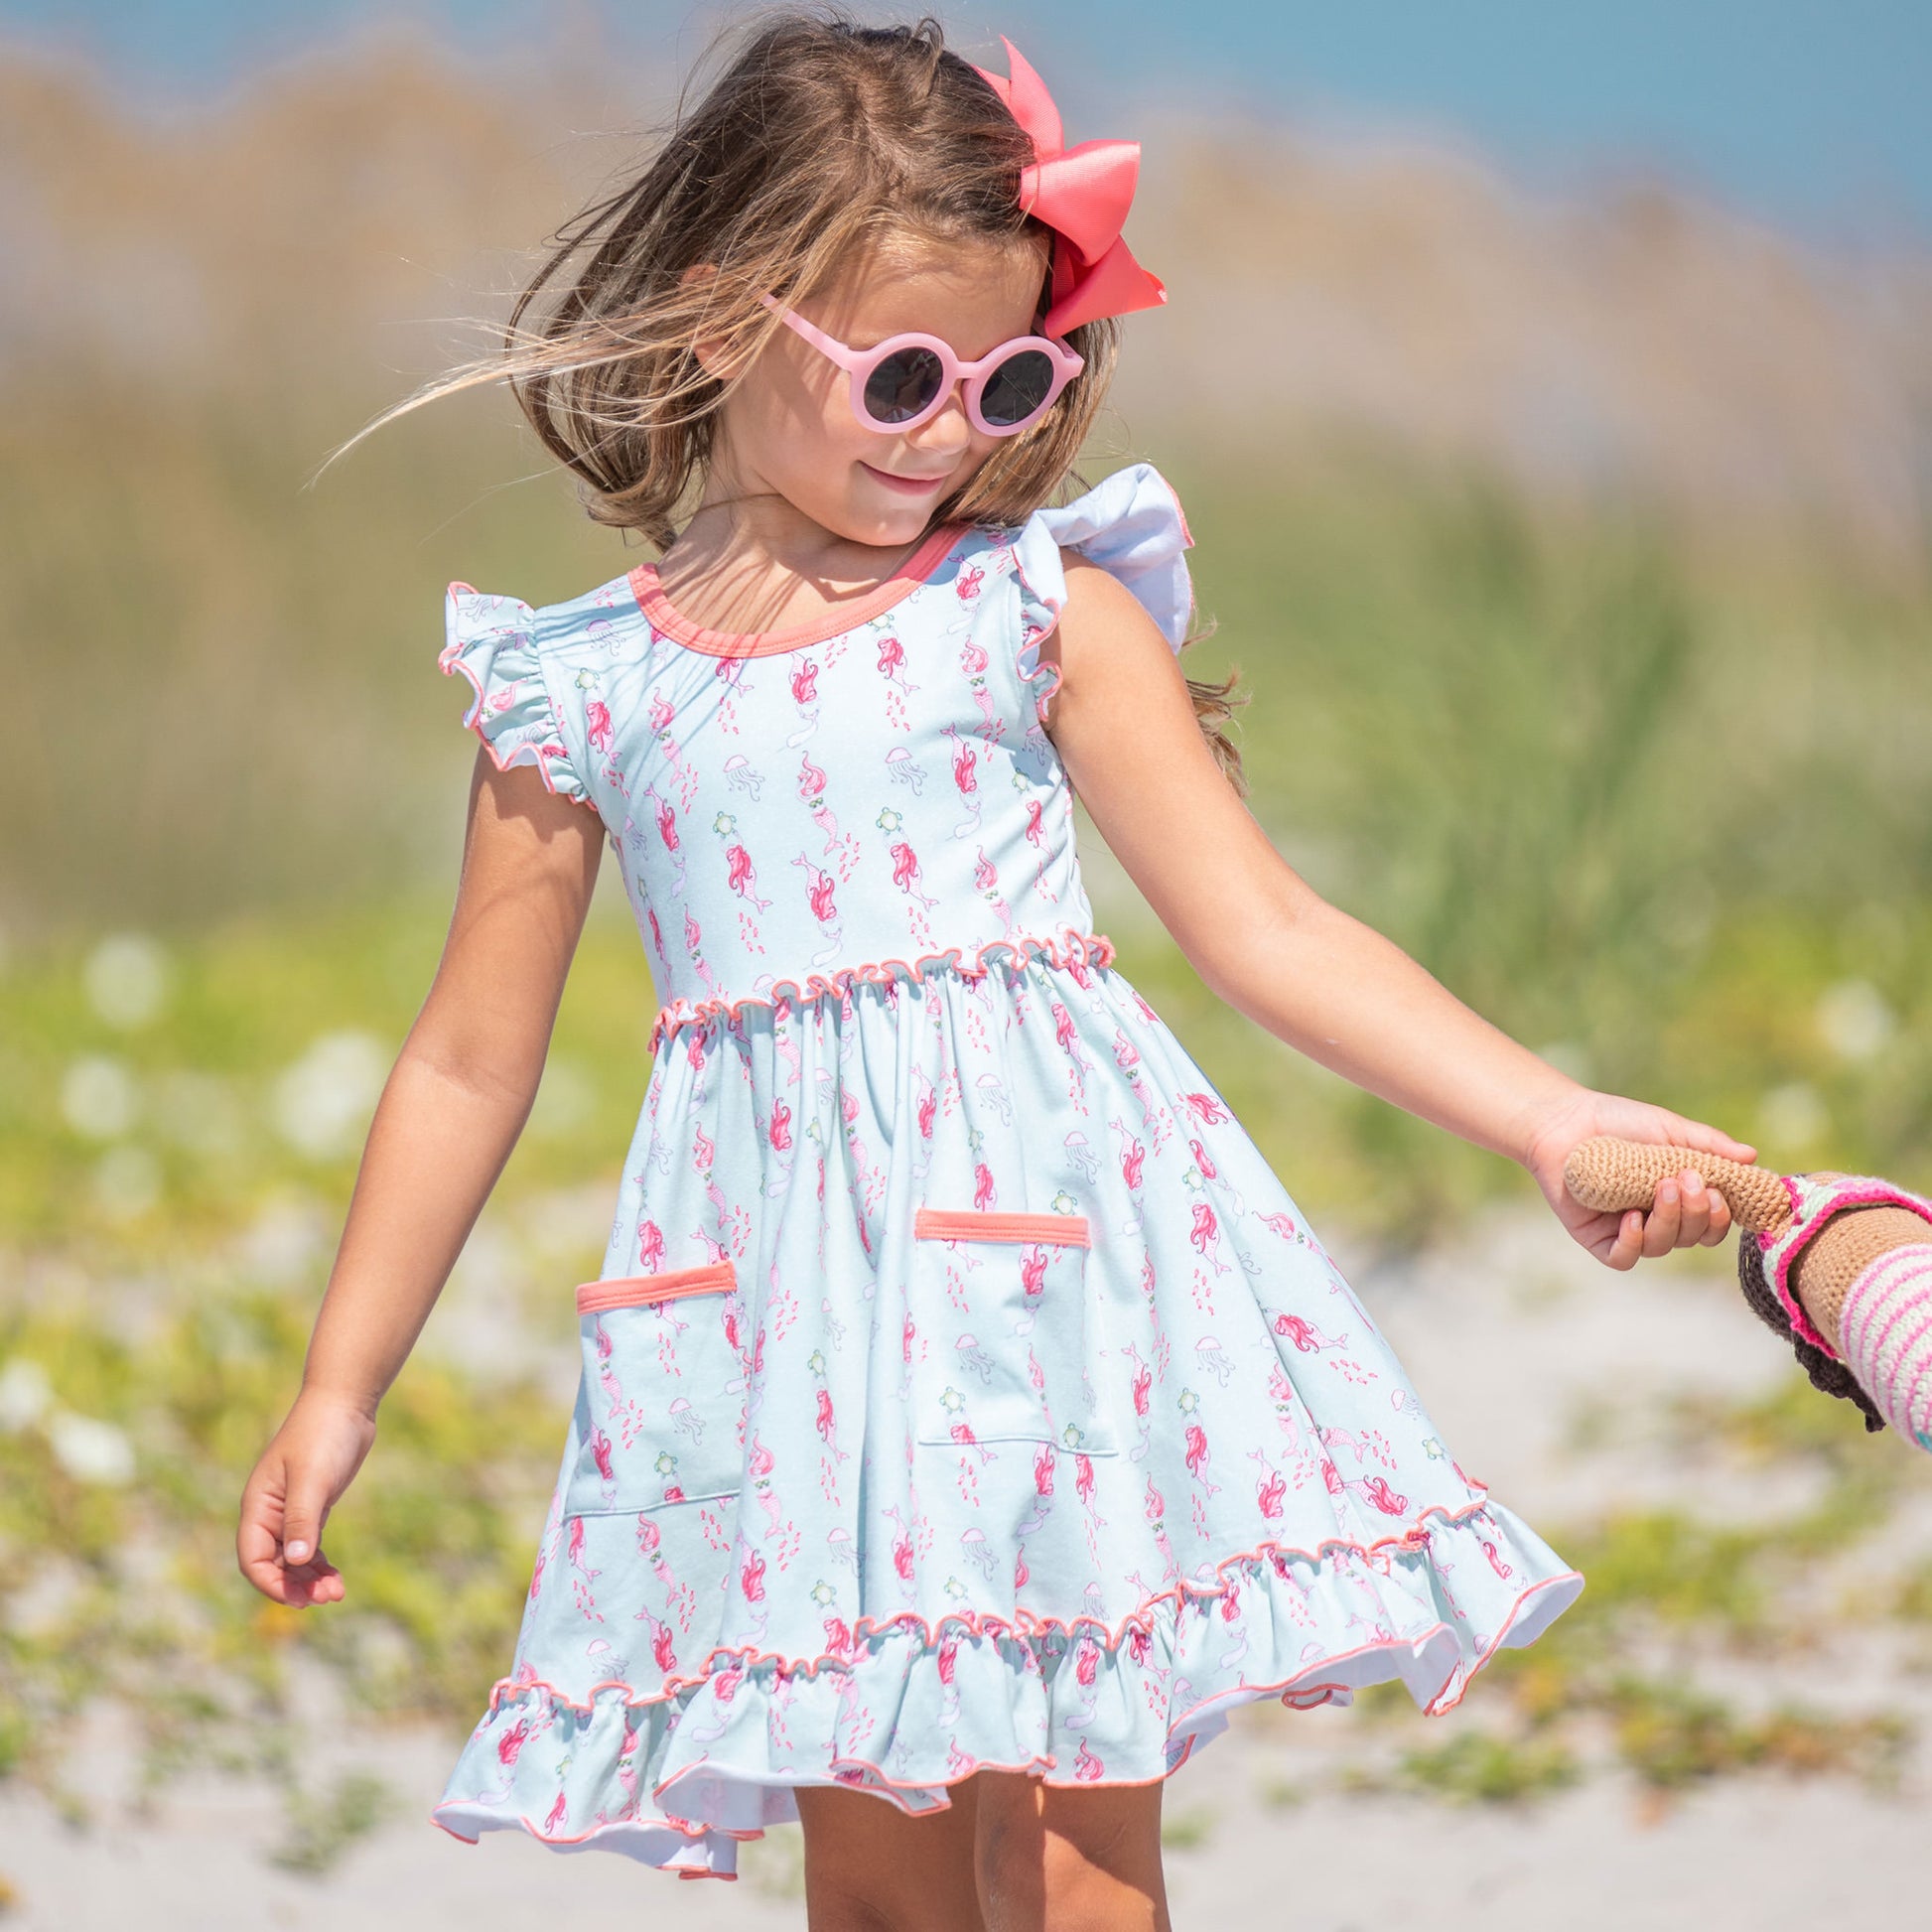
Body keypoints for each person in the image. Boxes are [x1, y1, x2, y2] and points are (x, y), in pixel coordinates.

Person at [236, 14, 1753, 1923]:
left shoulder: (1041, 609)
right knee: (866, 1847)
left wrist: (1552, 1118)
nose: (955, 429)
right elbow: (469, 1059)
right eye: (896, 375)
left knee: (1062, 1834)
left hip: (1052, 1300)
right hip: (786, 1344)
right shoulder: (578, 689)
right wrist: (342, 1381)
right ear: (723, 325)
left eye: (1008, 374)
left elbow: (1266, 928)